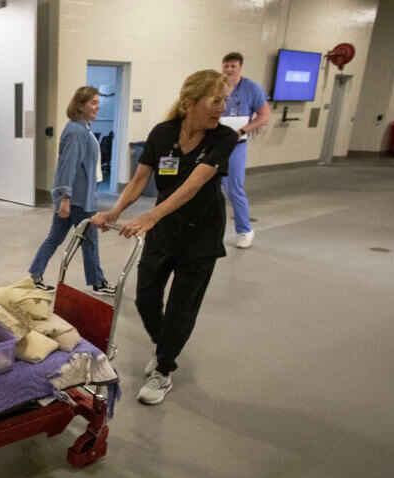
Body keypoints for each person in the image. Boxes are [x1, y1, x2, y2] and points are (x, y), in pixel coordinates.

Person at [93, 70, 238, 405]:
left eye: (225, 100)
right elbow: (139, 180)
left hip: (201, 236)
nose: (222, 107)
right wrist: (116, 211)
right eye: (215, 100)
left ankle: (163, 369)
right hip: (164, 233)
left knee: (181, 308)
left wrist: (152, 215)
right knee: (145, 298)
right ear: (190, 103)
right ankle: (164, 349)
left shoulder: (224, 138)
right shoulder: (163, 133)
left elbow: (194, 185)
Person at [28, 86, 116, 296]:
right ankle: (98, 283)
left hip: (78, 197)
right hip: (78, 199)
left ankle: (35, 276)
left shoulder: (82, 128)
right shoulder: (76, 132)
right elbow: (68, 167)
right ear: (80, 106)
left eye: (97, 102)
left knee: (55, 238)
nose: (97, 106)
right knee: (90, 242)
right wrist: (65, 198)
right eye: (93, 103)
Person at [220, 51, 270, 249]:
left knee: (234, 188)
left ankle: (244, 230)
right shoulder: (216, 85)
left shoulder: (251, 88)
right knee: (206, 187)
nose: (229, 69)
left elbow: (264, 115)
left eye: (233, 66)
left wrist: (242, 130)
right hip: (215, 143)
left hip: (236, 144)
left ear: (240, 67)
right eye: (226, 66)